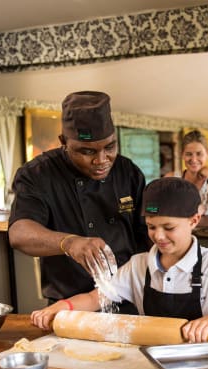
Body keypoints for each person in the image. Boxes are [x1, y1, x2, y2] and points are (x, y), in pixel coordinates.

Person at [31, 177, 208, 342]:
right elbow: (95, 298)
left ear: (194, 220)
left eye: (168, 227)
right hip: (154, 360)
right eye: (151, 227)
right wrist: (62, 307)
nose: (158, 236)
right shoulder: (138, 265)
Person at [9, 91, 150, 306]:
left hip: (128, 296)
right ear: (63, 142)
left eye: (110, 147)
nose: (101, 160)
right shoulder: (38, 174)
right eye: (87, 151)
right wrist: (68, 242)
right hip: (68, 303)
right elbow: (19, 233)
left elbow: (147, 234)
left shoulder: (128, 172)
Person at [165, 129, 208, 215]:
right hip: (180, 228)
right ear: (182, 154)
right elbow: (155, 209)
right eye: (189, 154)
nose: (194, 160)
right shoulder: (171, 178)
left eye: (199, 154)